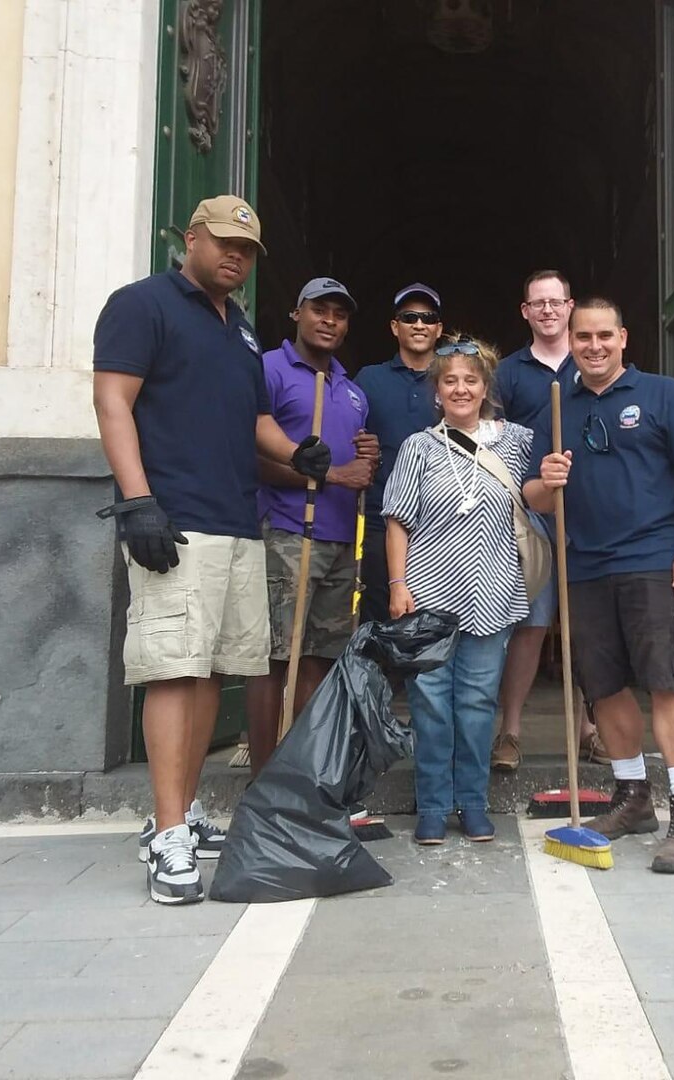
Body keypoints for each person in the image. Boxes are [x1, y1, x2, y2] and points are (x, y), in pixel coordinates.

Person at [92, 196, 333, 904]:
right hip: (175, 518)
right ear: (191, 238)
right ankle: (167, 837)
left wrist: (300, 453)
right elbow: (112, 401)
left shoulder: (244, 332)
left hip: (237, 521)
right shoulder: (142, 305)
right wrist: (137, 501)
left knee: (208, 674)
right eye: (224, 242)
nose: (235, 255)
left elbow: (257, 421)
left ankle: (184, 811)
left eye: (247, 249)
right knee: (172, 670)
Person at [524, 298, 674, 875]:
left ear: (624, 337)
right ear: (571, 342)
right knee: (602, 687)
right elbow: (533, 495)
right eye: (583, 337)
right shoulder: (556, 409)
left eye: (604, 335)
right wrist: (547, 482)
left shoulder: (663, 395)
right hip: (582, 565)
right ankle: (632, 798)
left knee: (670, 682)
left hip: (656, 558)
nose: (593, 346)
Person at [383, 335, 532, 845]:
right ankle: (431, 805)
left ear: (486, 387)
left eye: (471, 380)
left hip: (493, 594)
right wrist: (398, 584)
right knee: (429, 704)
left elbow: (547, 478)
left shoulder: (514, 441)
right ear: (437, 391)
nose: (461, 388)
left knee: (476, 704)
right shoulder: (418, 447)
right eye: (451, 381)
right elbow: (397, 522)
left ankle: (472, 802)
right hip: (427, 597)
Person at [244, 277, 380, 777]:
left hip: (342, 538)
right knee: (277, 656)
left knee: (321, 658)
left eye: (339, 314)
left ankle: (302, 769)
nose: (329, 320)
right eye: (319, 310)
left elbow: (353, 465)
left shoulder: (352, 391)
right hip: (287, 531)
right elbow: (249, 456)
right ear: (296, 314)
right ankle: (265, 776)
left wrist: (364, 463)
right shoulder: (269, 371)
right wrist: (331, 474)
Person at [490, 270, 605, 772]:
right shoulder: (510, 373)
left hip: (590, 513)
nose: (548, 311)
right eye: (538, 303)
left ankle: (590, 730)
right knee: (532, 624)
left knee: (585, 625)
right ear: (526, 312)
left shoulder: (593, 362)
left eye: (556, 302)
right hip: (532, 512)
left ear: (570, 305)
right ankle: (509, 733)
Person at [355, 284, 444, 627]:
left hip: (442, 525)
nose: (419, 324)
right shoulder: (369, 379)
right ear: (395, 326)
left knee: (433, 628)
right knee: (382, 624)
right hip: (381, 521)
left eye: (428, 318)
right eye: (409, 317)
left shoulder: (455, 381)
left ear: (438, 328)